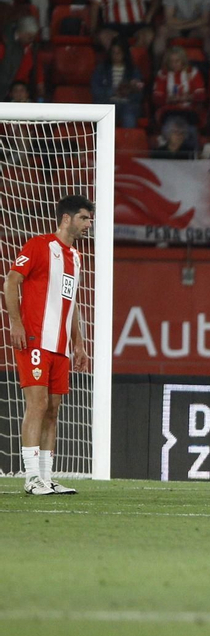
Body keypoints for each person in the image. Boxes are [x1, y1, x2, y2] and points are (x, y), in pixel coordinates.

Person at [4, 195, 92, 495]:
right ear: (66, 218)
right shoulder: (39, 246)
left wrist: (79, 344)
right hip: (36, 339)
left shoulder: (76, 258)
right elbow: (12, 281)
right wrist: (15, 323)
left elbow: (72, 304)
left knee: (53, 410)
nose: (88, 224)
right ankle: (30, 478)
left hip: (61, 346)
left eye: (89, 219)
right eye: (83, 218)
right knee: (37, 404)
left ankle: (45, 476)